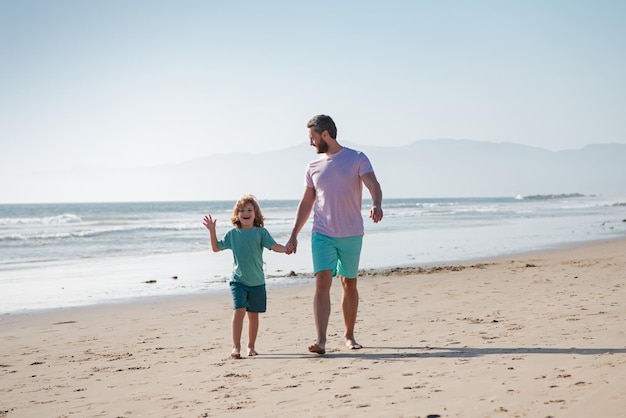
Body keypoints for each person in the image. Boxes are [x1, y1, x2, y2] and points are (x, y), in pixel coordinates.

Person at [286, 114, 383, 355]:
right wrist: (294, 234)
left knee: (349, 283)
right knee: (322, 283)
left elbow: (373, 183)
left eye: (312, 137)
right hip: (322, 233)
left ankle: (349, 335)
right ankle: (321, 340)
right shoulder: (313, 166)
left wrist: (376, 203)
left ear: (325, 135)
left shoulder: (356, 158)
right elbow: (306, 202)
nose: (311, 143)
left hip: (351, 233)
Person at [203, 195, 288, 359]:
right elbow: (216, 248)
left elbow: (273, 246)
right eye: (242, 210)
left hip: (257, 281)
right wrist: (212, 231)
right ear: (237, 215)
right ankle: (236, 347)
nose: (246, 213)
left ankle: (251, 347)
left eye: (249, 210)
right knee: (239, 310)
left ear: (255, 214)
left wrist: (285, 249)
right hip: (238, 280)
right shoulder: (232, 234)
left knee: (253, 315)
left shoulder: (261, 232)